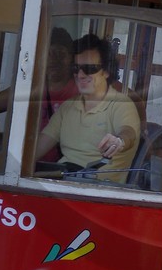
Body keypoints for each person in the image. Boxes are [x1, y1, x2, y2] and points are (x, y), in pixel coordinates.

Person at [34, 33, 140, 180]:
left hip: (98, 194)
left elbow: (128, 133)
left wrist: (119, 141)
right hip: (61, 183)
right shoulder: (67, 108)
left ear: (107, 70)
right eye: (76, 68)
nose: (81, 75)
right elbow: (36, 150)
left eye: (89, 68)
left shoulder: (122, 104)